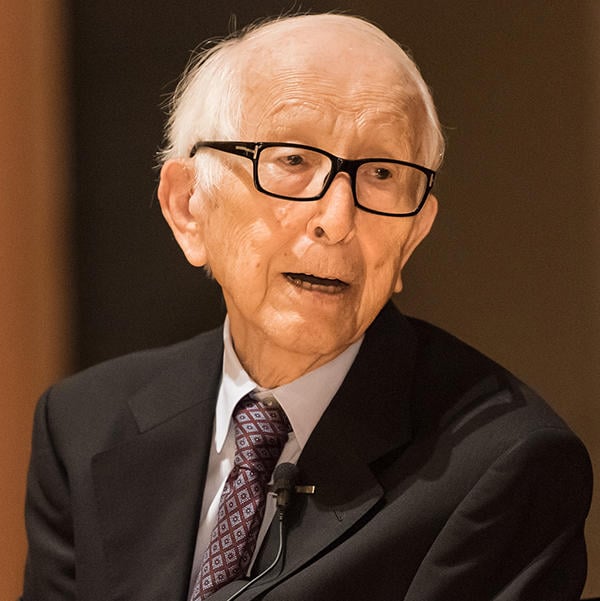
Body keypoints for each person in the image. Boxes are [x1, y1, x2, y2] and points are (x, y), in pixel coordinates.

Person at [21, 13, 592, 601]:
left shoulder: (508, 464)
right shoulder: (85, 425)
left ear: (412, 237)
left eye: (380, 173)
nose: (337, 220)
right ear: (189, 207)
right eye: (292, 161)